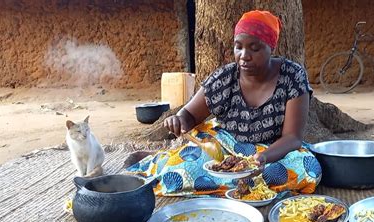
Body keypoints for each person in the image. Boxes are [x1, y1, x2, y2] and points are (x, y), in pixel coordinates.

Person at [127, 10, 321, 196]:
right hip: (226, 147)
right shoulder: (225, 77)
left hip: (272, 150)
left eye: (255, 48)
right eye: (239, 46)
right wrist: (179, 121)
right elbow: (190, 115)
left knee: (306, 169)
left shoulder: (292, 75)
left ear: (272, 47)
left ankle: (226, 184)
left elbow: (293, 137)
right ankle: (158, 159)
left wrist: (262, 158)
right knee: (181, 169)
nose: (244, 55)